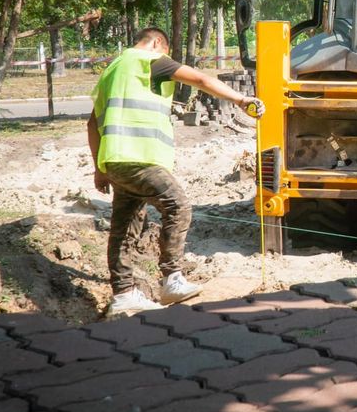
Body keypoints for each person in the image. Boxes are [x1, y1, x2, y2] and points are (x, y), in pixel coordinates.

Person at [87, 27, 265, 318]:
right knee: (177, 205)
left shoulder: (111, 72)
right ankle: (172, 278)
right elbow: (201, 78)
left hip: (115, 161)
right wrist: (241, 100)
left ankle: (123, 295)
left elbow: (92, 125)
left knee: (124, 228)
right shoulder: (148, 60)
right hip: (140, 157)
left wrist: (99, 168)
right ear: (157, 43)